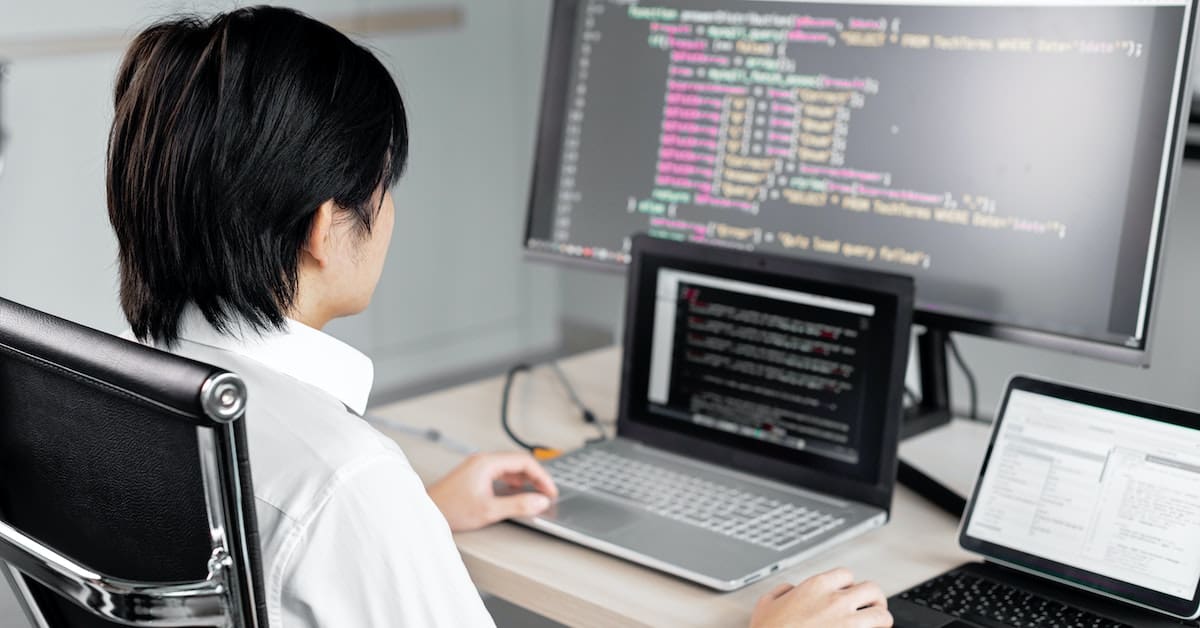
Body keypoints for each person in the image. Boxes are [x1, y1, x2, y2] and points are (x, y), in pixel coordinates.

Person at [105, 6, 893, 628]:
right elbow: (326, 511)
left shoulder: (117, 395)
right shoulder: (344, 484)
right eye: (384, 187)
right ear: (323, 228)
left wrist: (418, 520)